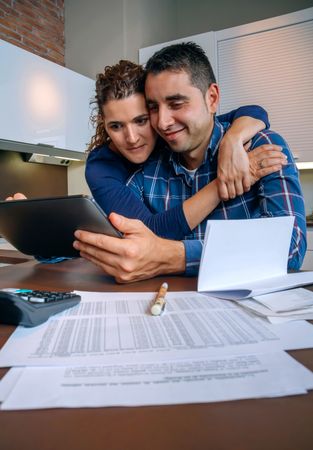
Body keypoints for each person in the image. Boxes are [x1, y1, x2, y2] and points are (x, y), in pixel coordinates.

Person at [73, 42, 306, 283]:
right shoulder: (141, 172)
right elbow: (138, 244)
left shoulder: (260, 147)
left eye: (176, 104)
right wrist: (221, 184)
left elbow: (291, 249)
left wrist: (232, 139)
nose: (162, 123)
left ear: (212, 98)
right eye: (154, 107)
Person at [85, 60, 274, 239]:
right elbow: (148, 231)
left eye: (141, 120)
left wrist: (232, 141)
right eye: (116, 126)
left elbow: (253, 112)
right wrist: (223, 183)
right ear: (104, 123)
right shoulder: (100, 168)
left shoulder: (168, 131)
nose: (132, 138)